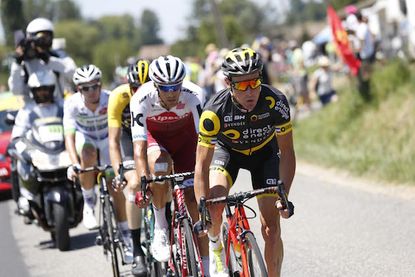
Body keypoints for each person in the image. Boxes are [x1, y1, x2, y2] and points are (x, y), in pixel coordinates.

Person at [194, 47, 296, 277]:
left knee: (271, 229)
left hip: (265, 155)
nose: (250, 91)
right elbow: (201, 166)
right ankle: (216, 246)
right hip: (227, 153)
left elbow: (287, 152)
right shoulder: (213, 112)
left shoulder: (275, 101)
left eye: (254, 82)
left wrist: (284, 195)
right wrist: (203, 208)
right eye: (241, 85)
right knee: (215, 203)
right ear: (229, 83)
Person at [129, 55, 209, 269]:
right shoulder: (140, 98)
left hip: (185, 141)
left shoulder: (194, 94)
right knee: (160, 164)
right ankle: (161, 227)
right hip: (157, 141)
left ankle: (208, 266)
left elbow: (205, 139)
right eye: (165, 88)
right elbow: (139, 147)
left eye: (176, 86)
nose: (172, 92)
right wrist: (144, 180)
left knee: (195, 202)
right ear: (155, 85)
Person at [64, 65, 131, 263]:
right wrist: (74, 164)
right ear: (78, 89)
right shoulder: (71, 104)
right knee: (87, 152)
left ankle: (127, 237)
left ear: (101, 84)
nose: (92, 91)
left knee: (115, 187)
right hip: (86, 140)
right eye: (86, 88)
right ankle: (88, 202)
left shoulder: (110, 98)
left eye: (95, 86)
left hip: (107, 140)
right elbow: (68, 136)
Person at [108, 60, 150, 276]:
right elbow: (113, 141)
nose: (140, 92)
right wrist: (118, 173)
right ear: (129, 86)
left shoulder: (160, 95)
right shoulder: (118, 97)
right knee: (134, 185)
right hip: (128, 139)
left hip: (153, 137)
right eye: (135, 88)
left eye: (146, 87)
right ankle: (136, 250)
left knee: (165, 178)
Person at [11, 69, 64, 221]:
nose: (42, 93)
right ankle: (26, 199)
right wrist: (25, 151)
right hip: (37, 154)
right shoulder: (27, 111)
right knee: (20, 162)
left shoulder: (62, 106)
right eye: (39, 90)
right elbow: (16, 136)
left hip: (62, 152)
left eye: (46, 89)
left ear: (52, 89)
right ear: (33, 91)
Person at [8, 17, 76, 103]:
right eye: (40, 38)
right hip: (35, 110)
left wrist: (49, 60)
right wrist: (17, 63)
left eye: (47, 37)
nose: (43, 41)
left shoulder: (59, 56)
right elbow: (16, 91)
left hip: (60, 107)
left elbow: (74, 75)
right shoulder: (24, 63)